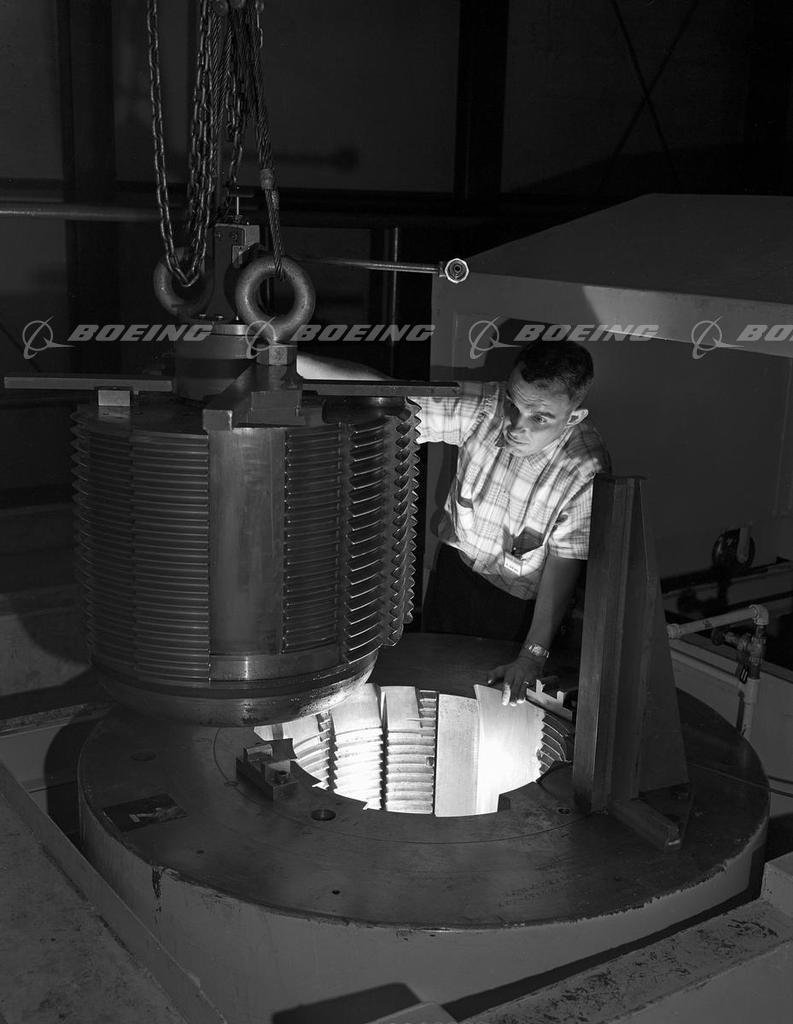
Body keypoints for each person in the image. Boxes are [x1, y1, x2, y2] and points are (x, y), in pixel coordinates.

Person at [297, 339, 610, 708]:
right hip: (456, 574)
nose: (515, 425)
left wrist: (532, 654)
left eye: (539, 418)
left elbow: (564, 564)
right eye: (513, 404)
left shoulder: (583, 469)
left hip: (521, 607)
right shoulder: (487, 405)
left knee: (495, 703)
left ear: (573, 418)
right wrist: (289, 360)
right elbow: (386, 395)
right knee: (435, 685)